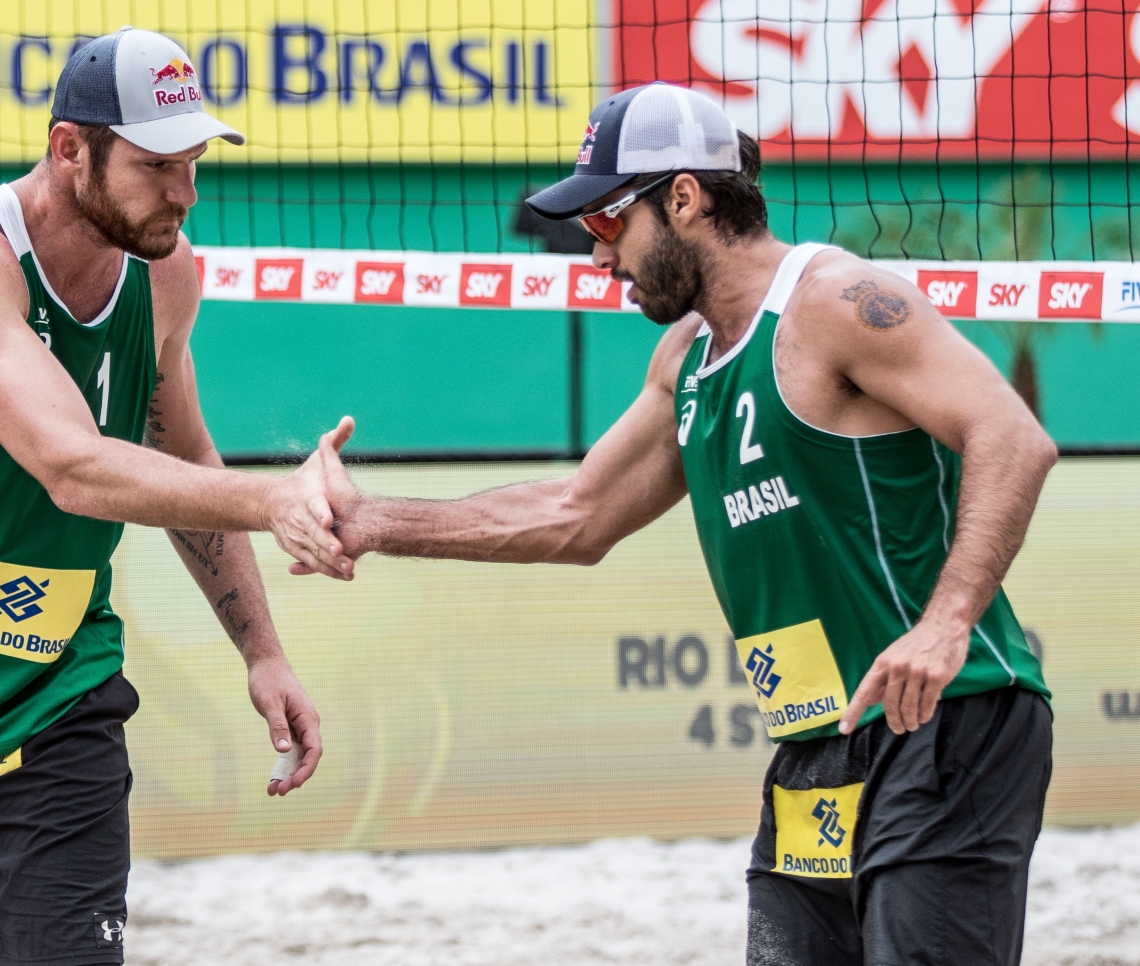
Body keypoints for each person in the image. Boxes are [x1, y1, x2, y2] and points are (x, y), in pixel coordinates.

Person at [306, 83, 1056, 966]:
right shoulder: (687, 356)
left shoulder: (835, 303)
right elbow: (573, 515)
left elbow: (1012, 436)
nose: (596, 257)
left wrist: (944, 624)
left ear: (685, 199)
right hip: (818, 740)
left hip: (946, 717)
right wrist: (371, 521)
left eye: (605, 223)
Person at [0, 28, 353, 966]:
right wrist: (274, 500)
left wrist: (263, 651)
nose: (185, 193)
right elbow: (73, 467)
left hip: (54, 684)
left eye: (195, 162)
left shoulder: (167, 270)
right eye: (158, 165)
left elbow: (183, 453)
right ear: (69, 149)